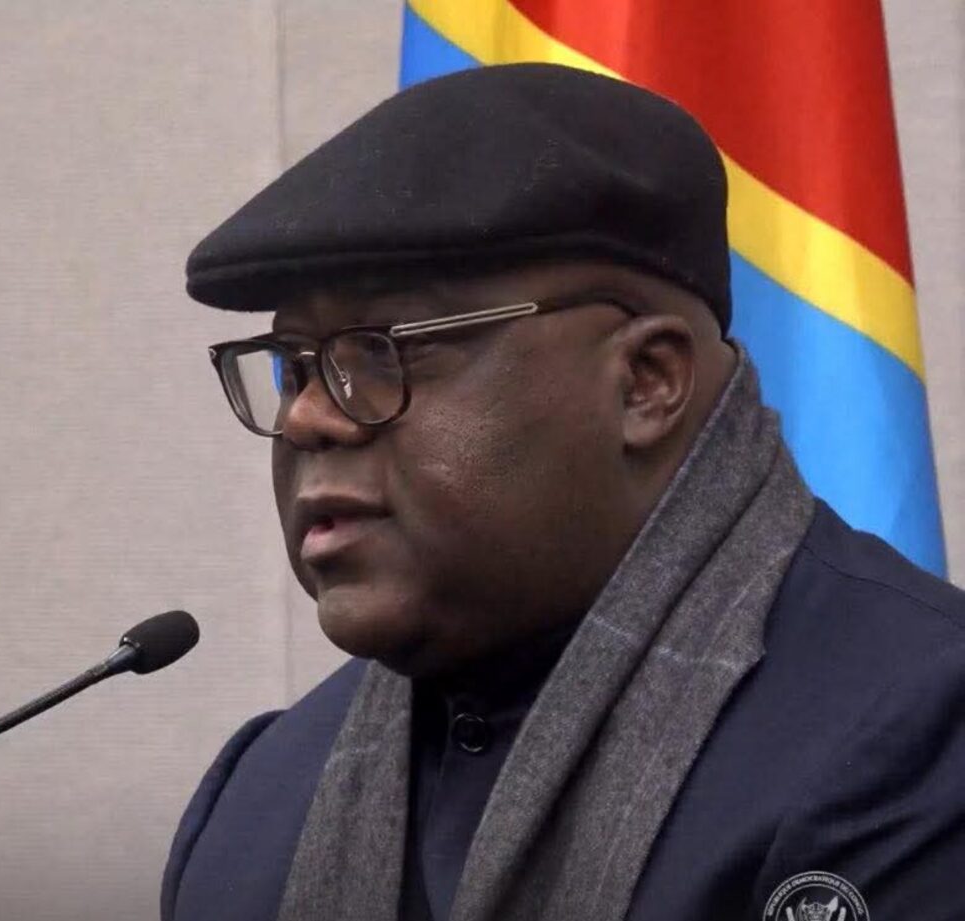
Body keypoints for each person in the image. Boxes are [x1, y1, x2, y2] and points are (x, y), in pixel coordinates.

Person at [161, 64, 965, 921]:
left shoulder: (919, 738)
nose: (307, 417)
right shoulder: (256, 809)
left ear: (646, 382)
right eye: (293, 367)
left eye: (384, 352)